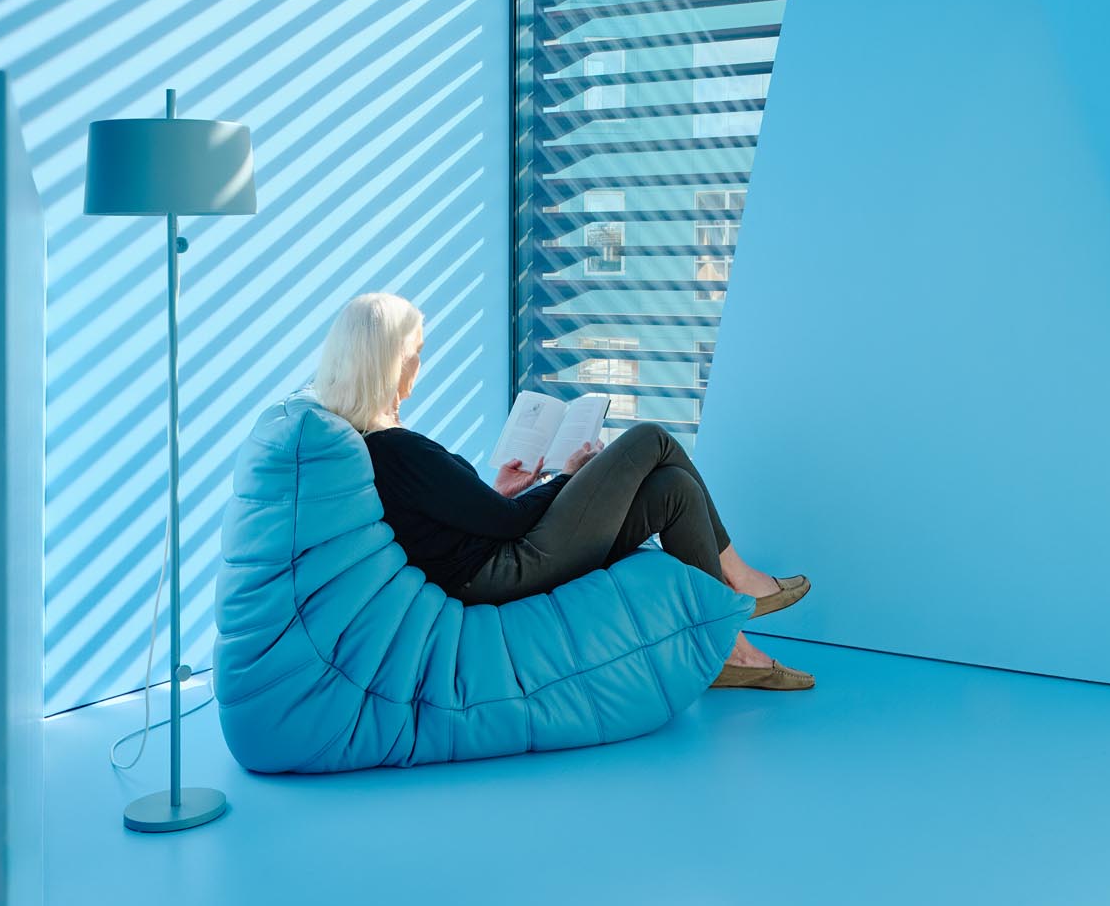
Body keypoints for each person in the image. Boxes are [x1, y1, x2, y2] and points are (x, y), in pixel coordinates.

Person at [309, 291, 813, 692]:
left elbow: (457, 522)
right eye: (416, 353)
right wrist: (569, 477)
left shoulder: (376, 447)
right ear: (391, 362)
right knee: (650, 440)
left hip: (492, 560)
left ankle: (726, 651)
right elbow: (507, 527)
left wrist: (502, 491)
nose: (420, 364)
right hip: (503, 570)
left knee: (671, 489)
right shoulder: (395, 448)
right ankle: (738, 581)